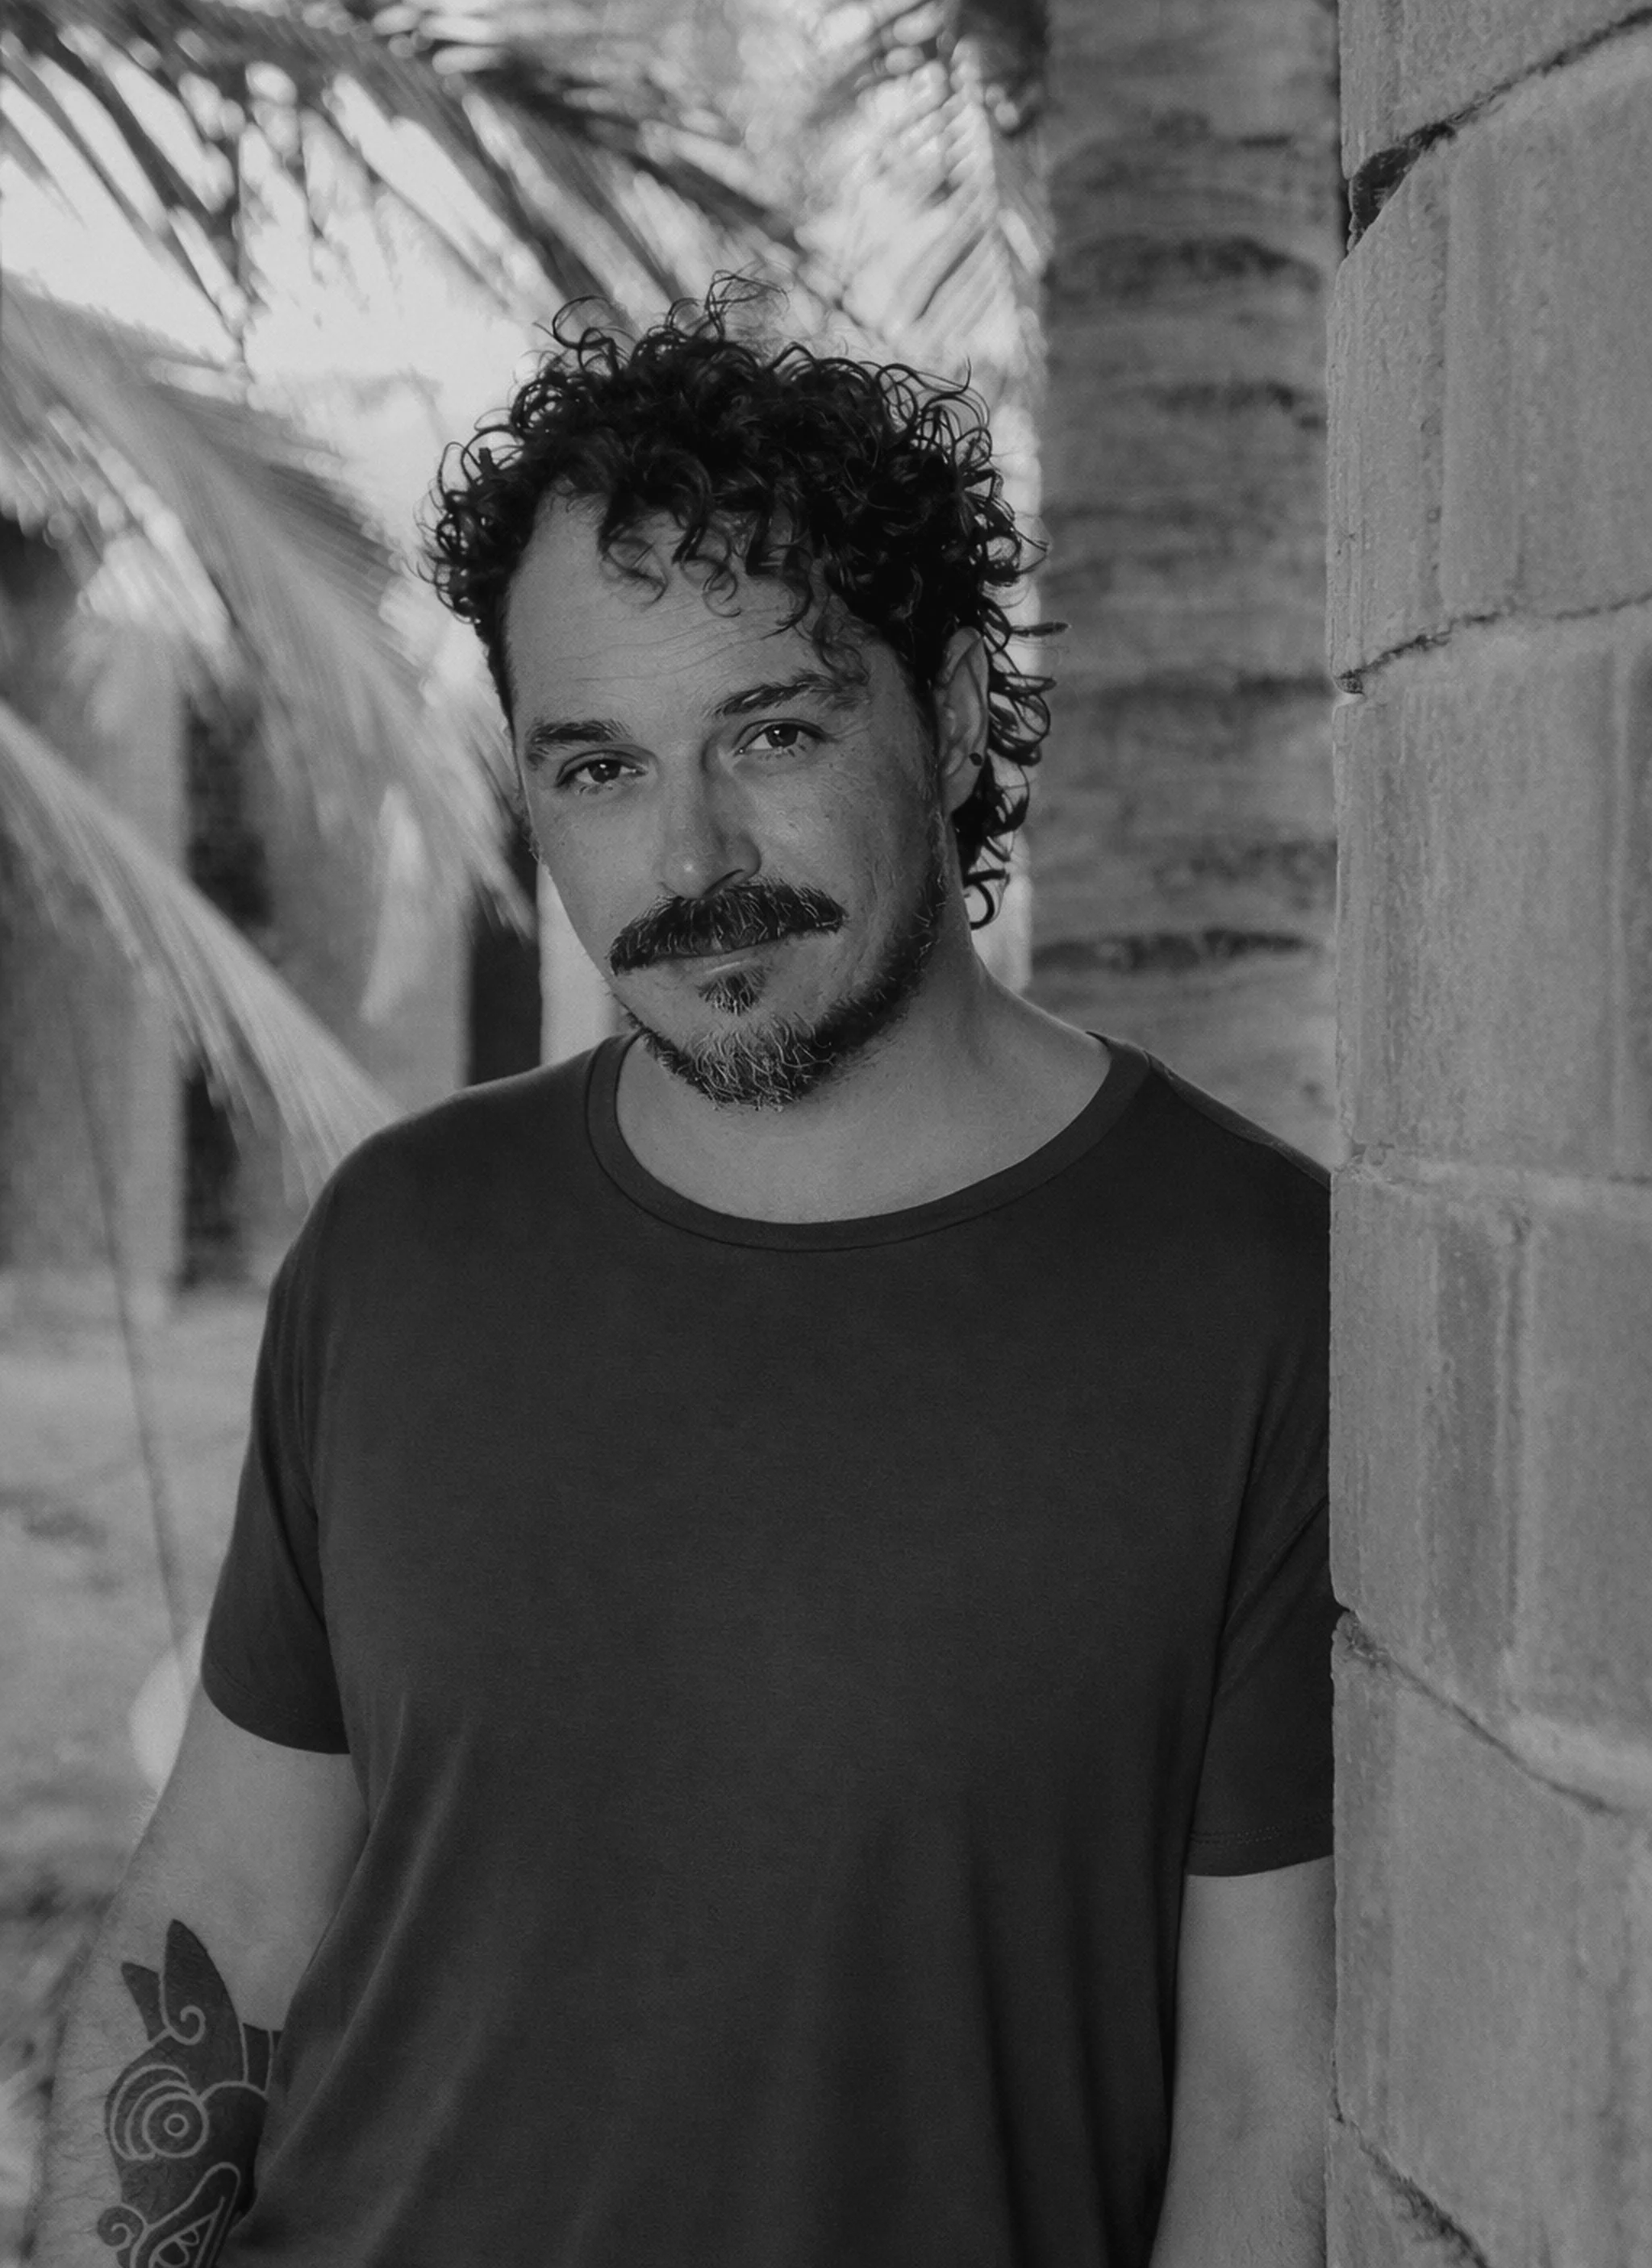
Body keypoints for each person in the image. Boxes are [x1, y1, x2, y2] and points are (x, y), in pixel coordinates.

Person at [34, 278, 1340, 2268]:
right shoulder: (403, 1243)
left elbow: (1265, 2122)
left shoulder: (1256, 1288)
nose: (693, 853)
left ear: (961, 707)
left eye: (776, 728)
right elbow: (223, 1922)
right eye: (597, 768)